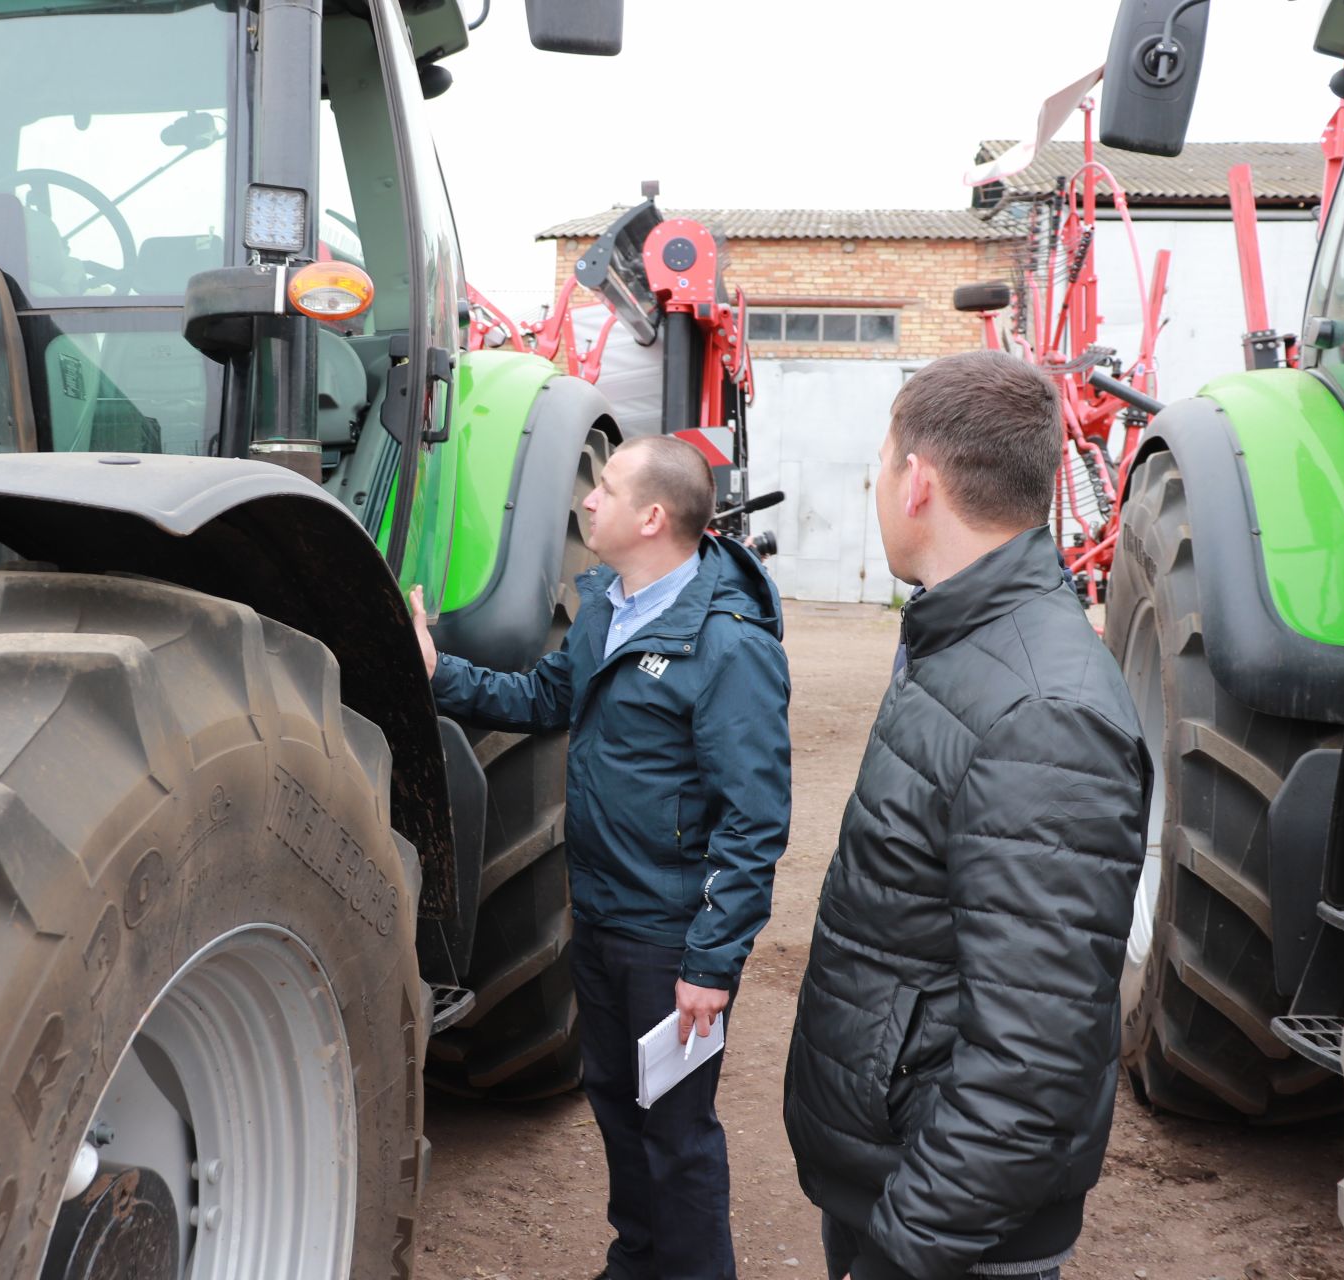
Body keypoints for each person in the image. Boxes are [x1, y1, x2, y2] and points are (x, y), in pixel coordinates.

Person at [780, 350, 1152, 1280]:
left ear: (917, 483)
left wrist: (907, 1254)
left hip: (951, 1236)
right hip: (898, 1183)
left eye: (880, 463)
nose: (876, 484)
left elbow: (1033, 1059)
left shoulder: (1042, 715)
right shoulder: (960, 641)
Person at [411, 434, 791, 1280]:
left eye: (607, 489)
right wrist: (440, 674)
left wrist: (712, 961)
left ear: (652, 517)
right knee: (620, 1111)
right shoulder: (610, 609)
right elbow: (545, 698)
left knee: (678, 1135)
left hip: (672, 941)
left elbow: (754, 820)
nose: (588, 500)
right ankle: (638, 1263)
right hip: (605, 918)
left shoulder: (727, 647)